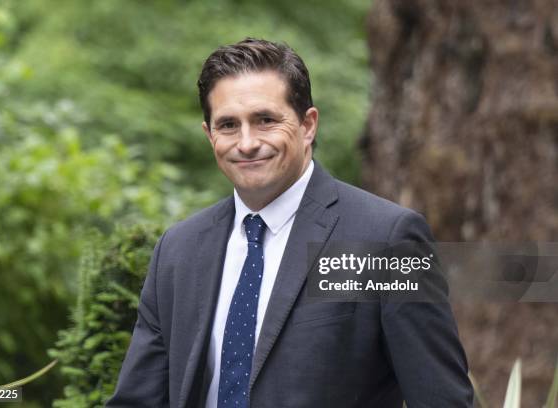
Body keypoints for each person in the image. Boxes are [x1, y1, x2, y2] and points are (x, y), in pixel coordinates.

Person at [107, 38, 473, 408]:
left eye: (265, 120)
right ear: (209, 134)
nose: (247, 143)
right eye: (229, 125)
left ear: (308, 124)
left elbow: (442, 399)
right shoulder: (178, 250)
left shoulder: (386, 239)